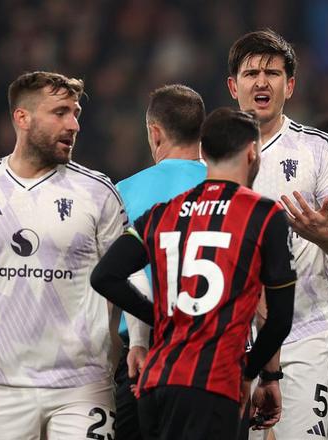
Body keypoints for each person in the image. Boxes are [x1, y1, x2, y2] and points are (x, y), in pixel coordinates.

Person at [0, 71, 127, 439]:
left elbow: (129, 272)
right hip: (3, 386)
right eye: (60, 112)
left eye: (75, 113)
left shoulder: (97, 192)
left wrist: (137, 342)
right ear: (22, 118)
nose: (73, 124)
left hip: (82, 386)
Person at [91, 108, 296, 440]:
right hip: (215, 385)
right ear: (252, 152)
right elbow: (278, 319)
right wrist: (253, 374)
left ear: (205, 151)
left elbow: (104, 276)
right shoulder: (263, 214)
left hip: (156, 385)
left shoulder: (161, 214)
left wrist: (158, 317)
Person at [227, 29, 328, 438]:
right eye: (251, 73)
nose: (262, 82)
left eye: (272, 73)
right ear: (233, 86)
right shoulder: (211, 153)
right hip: (232, 340)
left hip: (305, 335)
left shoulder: (318, 149)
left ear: (290, 86)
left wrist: (322, 234)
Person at [113, 84, 207, 440]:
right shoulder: (234, 189)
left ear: (154, 133)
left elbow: (115, 279)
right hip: (214, 356)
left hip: (143, 354)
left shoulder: (122, 192)